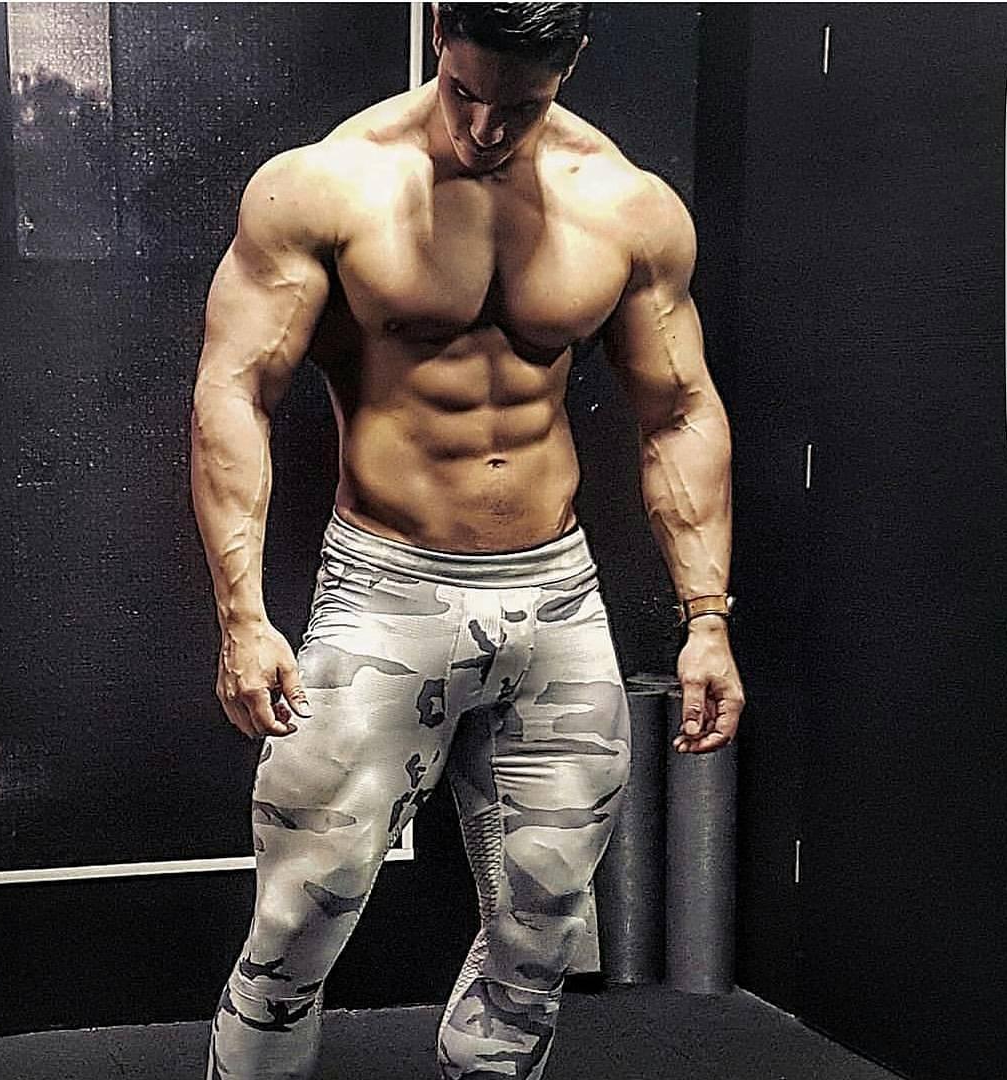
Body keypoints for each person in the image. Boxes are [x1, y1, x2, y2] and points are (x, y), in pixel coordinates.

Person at [190, 4, 744, 1077]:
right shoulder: (327, 186)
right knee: (299, 918)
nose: (485, 129)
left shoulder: (627, 206)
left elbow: (680, 411)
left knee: (543, 933)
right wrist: (243, 617)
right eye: (465, 93)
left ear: (572, 63)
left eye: (521, 106)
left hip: (557, 595)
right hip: (386, 589)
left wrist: (707, 621)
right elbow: (234, 390)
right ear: (440, 30)